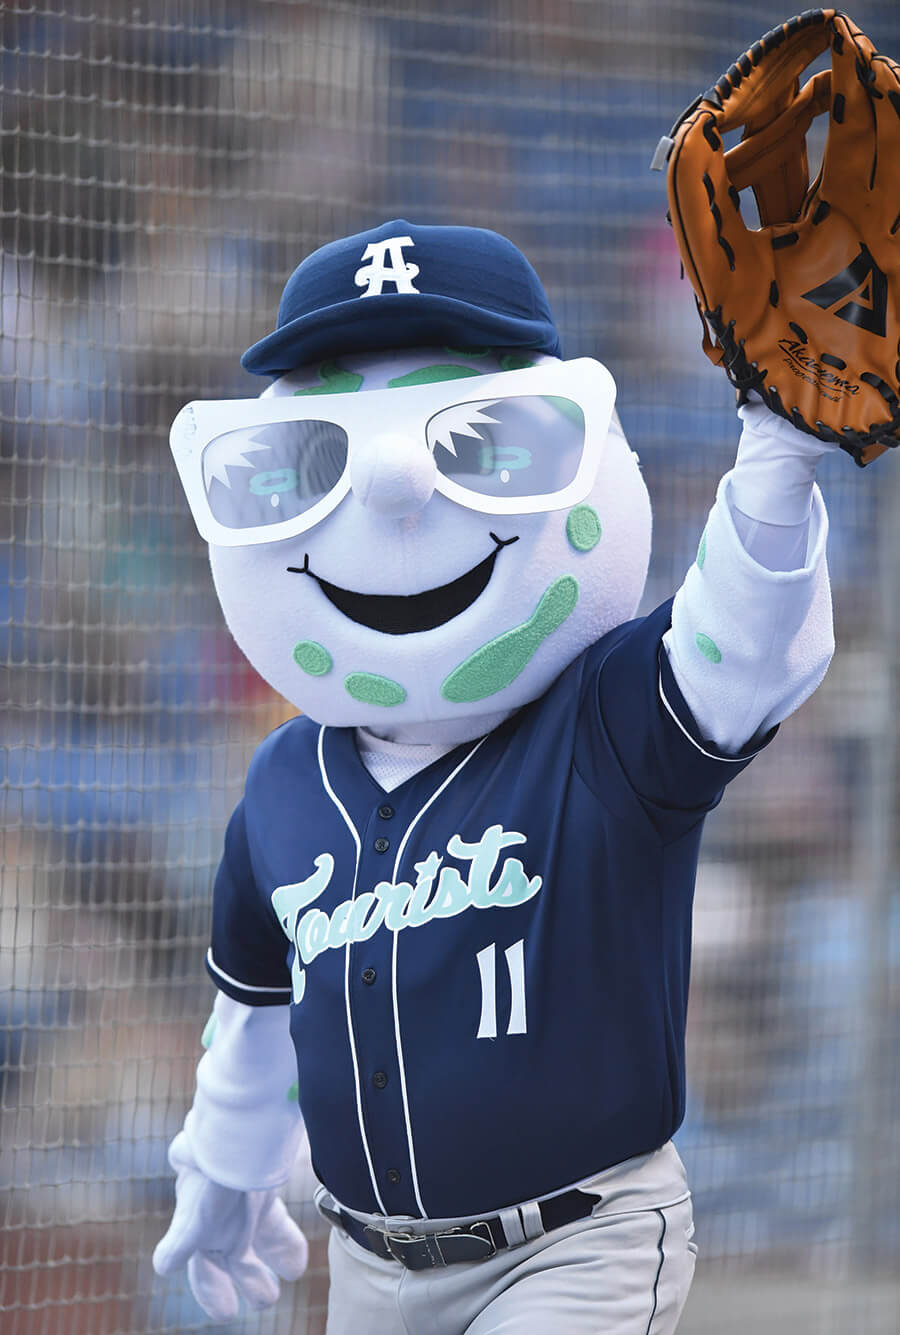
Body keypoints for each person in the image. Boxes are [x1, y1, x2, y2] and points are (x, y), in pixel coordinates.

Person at [153, 218, 834, 1333]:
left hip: (579, 1244)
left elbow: (741, 646)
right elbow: (257, 1013)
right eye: (307, 464)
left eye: (488, 442)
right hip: (370, 1269)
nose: (389, 491)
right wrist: (224, 1171)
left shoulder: (605, 719)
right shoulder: (280, 785)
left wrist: (777, 458)